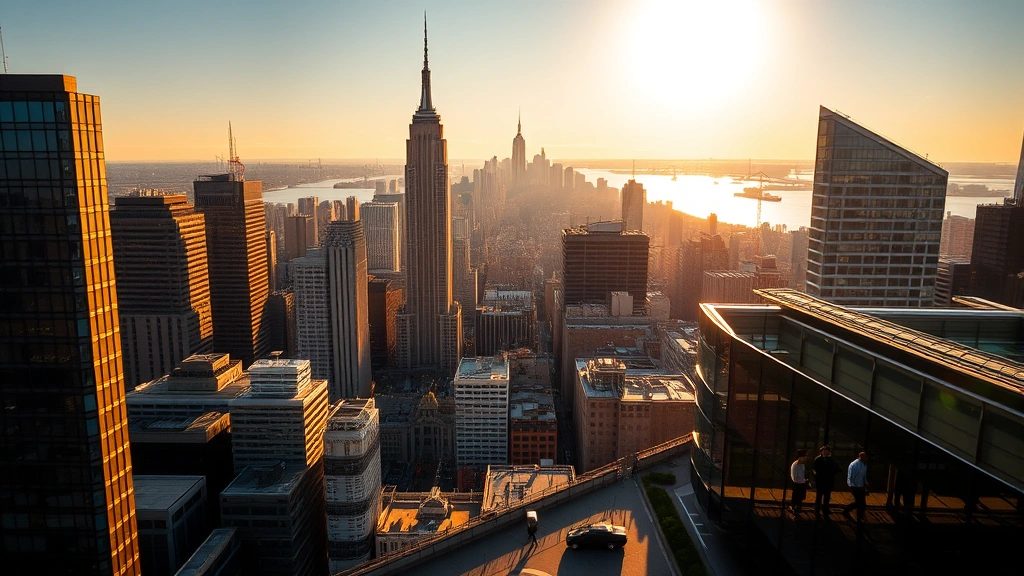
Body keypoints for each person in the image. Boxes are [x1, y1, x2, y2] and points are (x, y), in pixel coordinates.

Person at [813, 445, 839, 516]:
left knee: (827, 496)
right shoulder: (818, 459)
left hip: (828, 481)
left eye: (826, 450)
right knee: (819, 496)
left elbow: (836, 468)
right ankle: (817, 509)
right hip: (820, 481)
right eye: (823, 451)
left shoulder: (831, 460)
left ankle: (825, 509)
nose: (824, 452)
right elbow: (814, 469)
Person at [843, 452, 869, 522]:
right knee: (859, 502)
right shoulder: (854, 464)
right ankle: (850, 512)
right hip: (854, 486)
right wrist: (852, 485)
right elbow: (851, 476)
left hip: (861, 485)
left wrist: (865, 482)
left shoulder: (864, 464)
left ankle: (857, 515)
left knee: (862, 502)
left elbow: (864, 475)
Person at [788, 449, 809, 516]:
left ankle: (798, 507)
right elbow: (795, 478)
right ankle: (794, 507)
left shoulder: (802, 465)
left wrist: (805, 480)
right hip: (797, 484)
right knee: (796, 496)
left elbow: (802, 475)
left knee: (801, 497)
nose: (805, 459)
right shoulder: (795, 465)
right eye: (804, 457)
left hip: (801, 483)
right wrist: (802, 481)